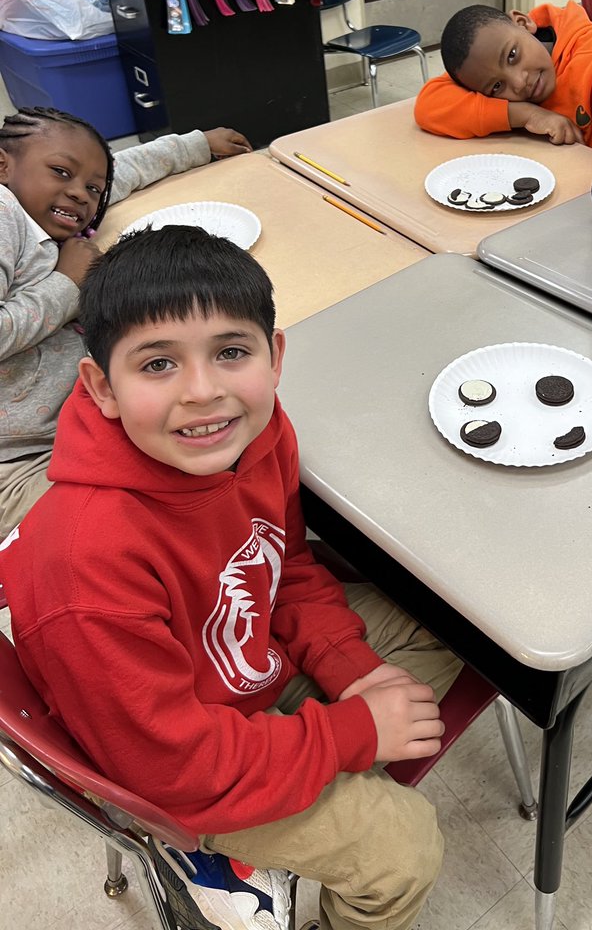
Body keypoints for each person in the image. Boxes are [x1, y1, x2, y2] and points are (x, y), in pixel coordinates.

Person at [0, 225, 461, 930]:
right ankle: (209, 846)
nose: (204, 393)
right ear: (101, 387)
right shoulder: (85, 563)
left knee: (447, 636)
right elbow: (165, 767)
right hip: (168, 767)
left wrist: (354, 672)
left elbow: (286, 568)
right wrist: (349, 736)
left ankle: (280, 798)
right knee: (404, 851)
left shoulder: (258, 429)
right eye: (157, 365)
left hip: (236, 685)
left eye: (232, 352)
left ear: (274, 359)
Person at [0, 106, 252, 540]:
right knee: (119, 528)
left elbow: (121, 170)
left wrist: (195, 145)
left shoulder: (54, 206)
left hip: (88, 420)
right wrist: (67, 283)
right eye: (61, 172)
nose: (80, 195)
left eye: (92, 190)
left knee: (209, 466)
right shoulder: (5, 211)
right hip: (19, 461)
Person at [413, 0, 592, 190]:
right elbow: (429, 104)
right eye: (496, 87)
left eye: (512, 56)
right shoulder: (485, 61)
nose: (519, 83)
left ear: (523, 22)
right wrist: (527, 114)